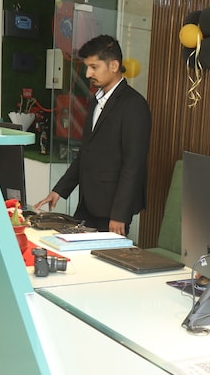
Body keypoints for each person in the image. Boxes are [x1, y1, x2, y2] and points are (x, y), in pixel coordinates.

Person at [33, 35, 151, 236]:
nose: (88, 74)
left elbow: (134, 164)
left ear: (114, 65)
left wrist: (119, 214)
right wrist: (59, 190)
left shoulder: (134, 105)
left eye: (94, 67)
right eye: (87, 67)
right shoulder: (96, 100)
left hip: (113, 209)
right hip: (88, 203)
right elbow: (85, 154)